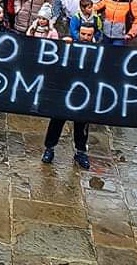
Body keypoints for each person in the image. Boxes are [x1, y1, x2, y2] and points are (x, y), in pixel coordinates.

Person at [41, 23, 98, 169]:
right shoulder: (69, 44)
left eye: (88, 35)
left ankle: (80, 152)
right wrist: (63, 46)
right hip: (65, 91)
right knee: (57, 121)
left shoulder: (99, 51)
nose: (85, 37)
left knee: (82, 124)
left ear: (93, 35)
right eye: (83, 34)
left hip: (83, 94)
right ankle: (49, 148)